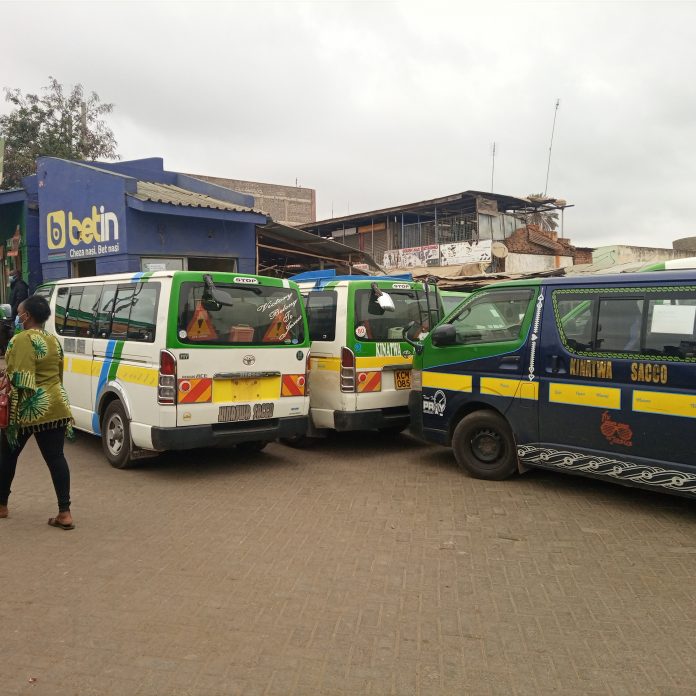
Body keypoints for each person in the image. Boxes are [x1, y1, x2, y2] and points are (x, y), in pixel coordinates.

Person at [0, 295, 75, 529]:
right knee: (56, 458)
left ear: (27, 316)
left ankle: (1, 505)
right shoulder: (53, 340)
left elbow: (22, 378)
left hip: (29, 407)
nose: (17, 315)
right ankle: (65, 512)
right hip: (56, 404)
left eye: (19, 311)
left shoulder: (22, 339)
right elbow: (57, 372)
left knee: (6, 454)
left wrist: (7, 377)